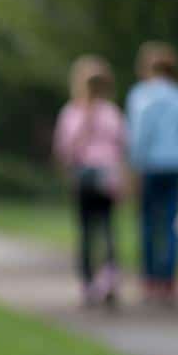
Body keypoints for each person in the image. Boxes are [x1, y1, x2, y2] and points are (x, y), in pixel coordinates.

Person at [126, 41, 178, 305]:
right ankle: (168, 279)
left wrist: (134, 166)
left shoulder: (141, 95)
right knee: (170, 222)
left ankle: (150, 279)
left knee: (148, 223)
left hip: (150, 165)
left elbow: (139, 134)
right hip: (175, 164)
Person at [53, 55, 128, 307]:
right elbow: (66, 147)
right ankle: (88, 281)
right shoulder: (73, 112)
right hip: (84, 174)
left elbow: (120, 145)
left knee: (106, 229)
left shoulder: (110, 113)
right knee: (86, 231)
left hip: (105, 174)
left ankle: (108, 279)